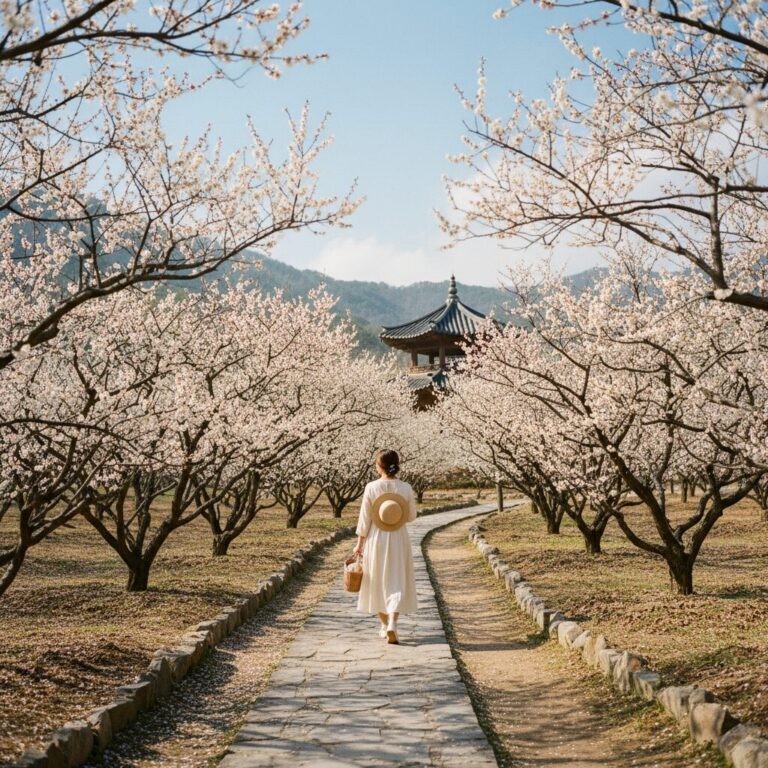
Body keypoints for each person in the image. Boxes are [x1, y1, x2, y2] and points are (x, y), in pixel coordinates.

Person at [352, 448, 418, 644]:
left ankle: (383, 625)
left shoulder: (371, 487)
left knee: (377, 581)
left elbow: (364, 520)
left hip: (376, 538)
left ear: (380, 466)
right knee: (397, 579)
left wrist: (359, 545)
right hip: (398, 537)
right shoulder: (406, 488)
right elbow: (412, 516)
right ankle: (392, 624)